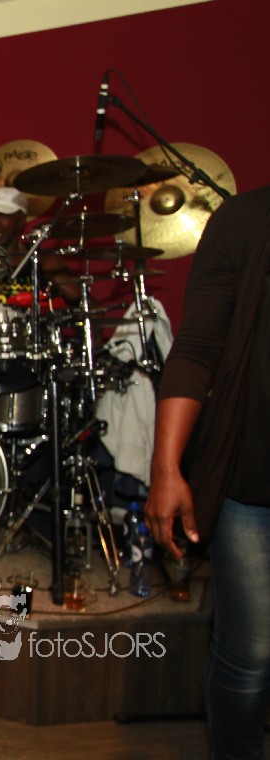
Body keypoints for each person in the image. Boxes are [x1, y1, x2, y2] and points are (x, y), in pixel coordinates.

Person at [145, 185, 270, 760]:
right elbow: (196, 349)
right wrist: (166, 468)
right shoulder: (244, 220)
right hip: (252, 479)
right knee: (252, 655)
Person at [0, 186, 81, 307]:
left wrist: (71, 292)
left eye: (2, 215)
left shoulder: (44, 263)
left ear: (20, 221)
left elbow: (89, 309)